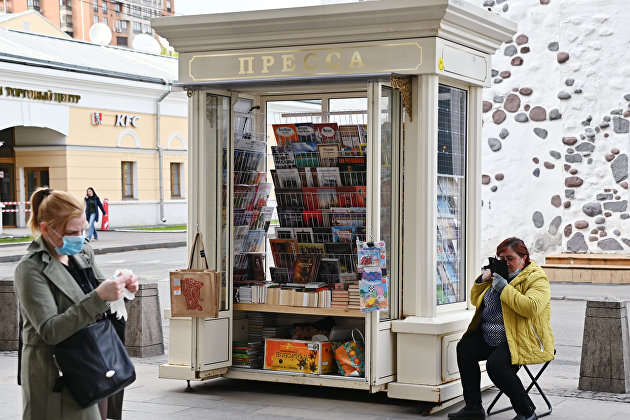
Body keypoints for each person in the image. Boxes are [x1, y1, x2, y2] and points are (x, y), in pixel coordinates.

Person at [14, 187, 139, 420]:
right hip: (56, 371)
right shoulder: (30, 268)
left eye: (83, 229)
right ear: (46, 229)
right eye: (72, 232)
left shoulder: (81, 253)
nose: (80, 237)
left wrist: (123, 287)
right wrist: (100, 296)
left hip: (95, 362)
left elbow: (103, 289)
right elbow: (50, 330)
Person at [448, 237, 554, 420]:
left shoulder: (536, 277)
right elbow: (475, 300)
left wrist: (505, 289)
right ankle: (473, 407)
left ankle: (527, 411)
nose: (505, 263)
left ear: (524, 258)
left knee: (496, 365)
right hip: (491, 336)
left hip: (522, 339)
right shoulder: (498, 275)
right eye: (501, 258)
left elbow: (532, 308)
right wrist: (482, 279)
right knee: (465, 348)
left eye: (510, 258)